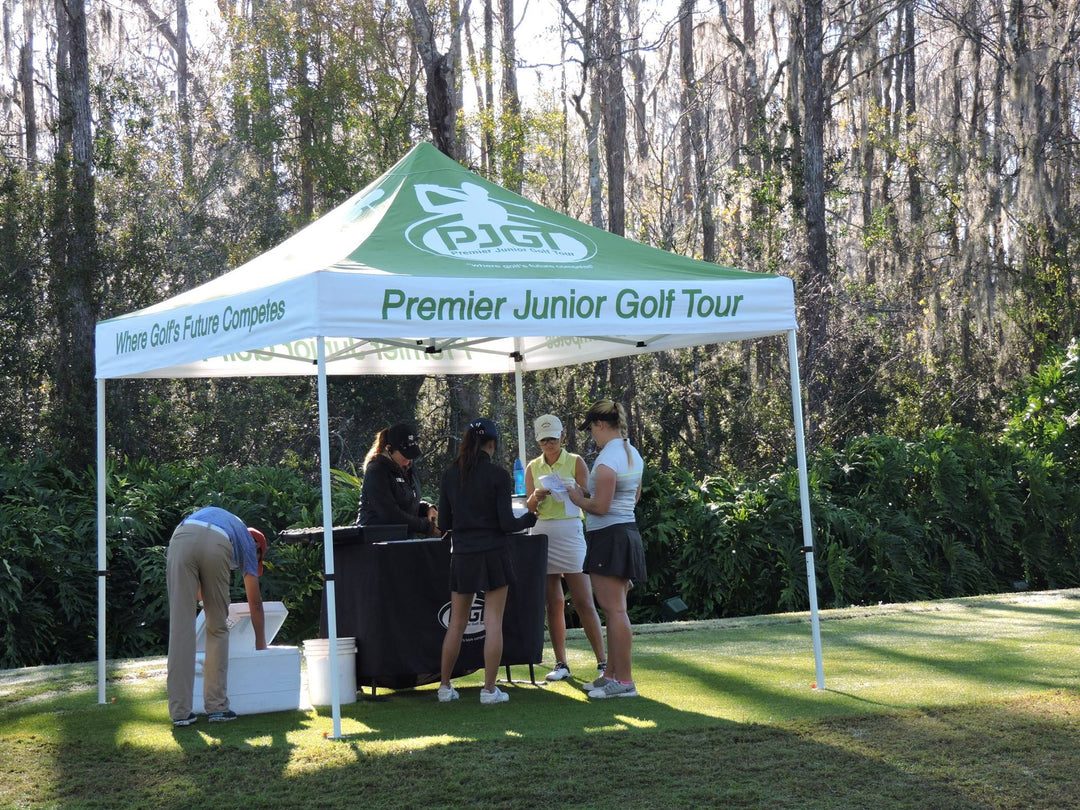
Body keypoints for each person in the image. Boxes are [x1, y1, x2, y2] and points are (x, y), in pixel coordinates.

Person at [436, 417, 538, 704]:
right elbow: (506, 523)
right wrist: (529, 517)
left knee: (456, 623)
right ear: (491, 445)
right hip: (493, 554)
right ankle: (489, 690)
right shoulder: (498, 476)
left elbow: (444, 521)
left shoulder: (449, 474)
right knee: (493, 622)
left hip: (463, 553)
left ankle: (445, 687)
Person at [566, 400, 645, 699]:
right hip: (625, 532)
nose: (592, 436)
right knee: (614, 609)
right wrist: (589, 494)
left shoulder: (608, 457)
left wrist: (577, 497)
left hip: (611, 536)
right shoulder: (631, 453)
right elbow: (632, 497)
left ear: (600, 425)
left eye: (592, 430)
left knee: (614, 610)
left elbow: (600, 507)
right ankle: (610, 674)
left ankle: (624, 682)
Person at [166, 506, 267, 727]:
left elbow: (199, 590)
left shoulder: (229, 522)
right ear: (257, 545)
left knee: (181, 628)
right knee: (217, 627)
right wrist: (261, 643)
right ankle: (217, 708)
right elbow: (255, 603)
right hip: (216, 542)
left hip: (181, 537)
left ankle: (180, 713)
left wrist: (207, 603)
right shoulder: (250, 542)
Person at [524, 413, 606, 683]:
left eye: (553, 438)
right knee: (553, 602)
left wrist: (573, 489)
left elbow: (590, 494)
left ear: (562, 436)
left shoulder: (575, 461)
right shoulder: (533, 467)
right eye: (544, 439)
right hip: (543, 532)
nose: (549, 443)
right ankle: (562, 663)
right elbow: (529, 508)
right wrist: (536, 496)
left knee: (583, 600)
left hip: (570, 531)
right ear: (538, 441)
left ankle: (603, 663)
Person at [357, 422, 441, 538]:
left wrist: (426, 508)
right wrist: (426, 527)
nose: (409, 459)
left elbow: (407, 503)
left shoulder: (408, 468)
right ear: (389, 449)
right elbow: (390, 513)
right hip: (377, 541)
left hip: (403, 540)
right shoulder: (376, 471)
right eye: (405, 454)